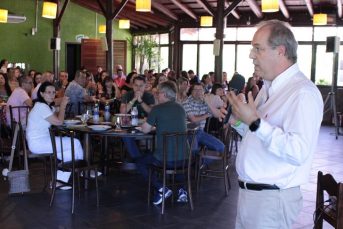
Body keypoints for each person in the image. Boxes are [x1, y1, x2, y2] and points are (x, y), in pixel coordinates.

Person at [226, 20, 323, 229]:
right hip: (252, 197)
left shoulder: (302, 93)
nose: (252, 55)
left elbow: (297, 151)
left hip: (271, 201)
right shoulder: (268, 87)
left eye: (257, 49)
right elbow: (260, 137)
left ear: (280, 51)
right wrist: (240, 123)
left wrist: (254, 121)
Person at [136, 81, 189, 205]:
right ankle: (182, 191)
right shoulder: (181, 109)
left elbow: (145, 129)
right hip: (186, 158)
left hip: (165, 159)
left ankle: (161, 188)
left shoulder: (157, 109)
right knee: (177, 158)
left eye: (157, 93)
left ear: (164, 95)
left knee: (140, 162)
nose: (156, 96)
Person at [26, 81, 83, 183]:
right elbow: (59, 122)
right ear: (41, 93)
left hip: (41, 140)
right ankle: (83, 172)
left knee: (69, 154)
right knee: (76, 142)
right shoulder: (41, 106)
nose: (52, 95)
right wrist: (62, 106)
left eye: (53, 92)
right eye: (49, 92)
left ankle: (59, 181)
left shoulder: (44, 106)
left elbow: (56, 118)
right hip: (38, 143)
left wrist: (59, 110)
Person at [181, 83, 225, 165]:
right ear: (192, 91)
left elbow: (217, 114)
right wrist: (208, 114)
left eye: (200, 90)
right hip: (188, 133)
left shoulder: (204, 102)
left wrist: (207, 101)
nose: (198, 92)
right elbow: (193, 120)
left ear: (204, 92)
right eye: (196, 90)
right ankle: (191, 167)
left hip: (200, 132)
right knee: (193, 151)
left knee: (221, 147)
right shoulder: (186, 102)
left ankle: (198, 165)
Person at [120, 76, 155, 159]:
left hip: (146, 126)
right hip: (130, 126)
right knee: (125, 136)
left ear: (145, 86)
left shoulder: (149, 96)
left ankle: (141, 161)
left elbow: (152, 112)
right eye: (136, 85)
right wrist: (133, 99)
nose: (138, 88)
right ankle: (138, 160)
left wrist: (141, 101)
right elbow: (122, 111)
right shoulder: (128, 95)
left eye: (141, 86)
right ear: (132, 85)